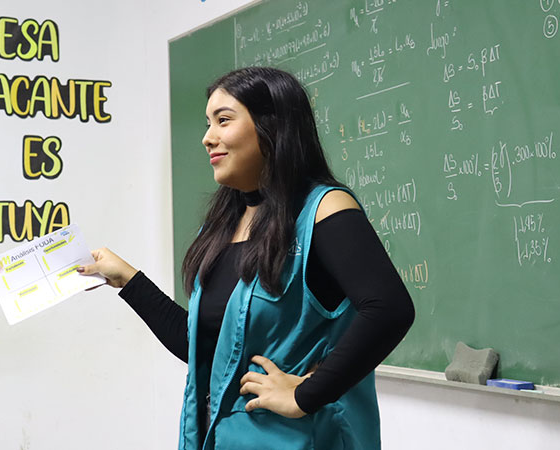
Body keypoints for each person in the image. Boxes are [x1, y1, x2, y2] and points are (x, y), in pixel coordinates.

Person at [77, 67, 414, 449]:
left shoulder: (324, 209)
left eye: (223, 120)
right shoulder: (225, 224)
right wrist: (128, 280)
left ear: (272, 128)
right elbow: (206, 348)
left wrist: (306, 394)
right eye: (208, 123)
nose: (208, 138)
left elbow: (389, 309)